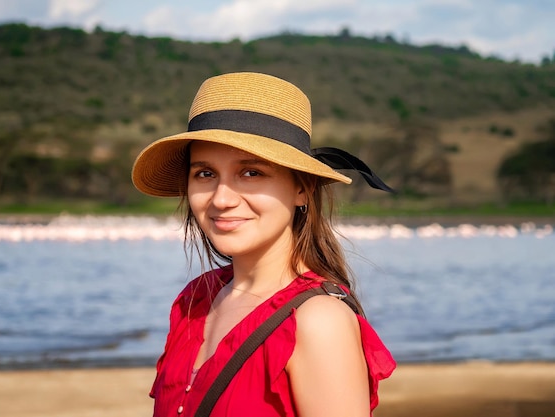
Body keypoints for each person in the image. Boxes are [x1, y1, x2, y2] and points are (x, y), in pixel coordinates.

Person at [131, 72, 396, 417]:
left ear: (302, 188)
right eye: (205, 174)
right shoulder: (195, 300)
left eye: (251, 172)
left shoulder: (317, 322)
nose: (222, 199)